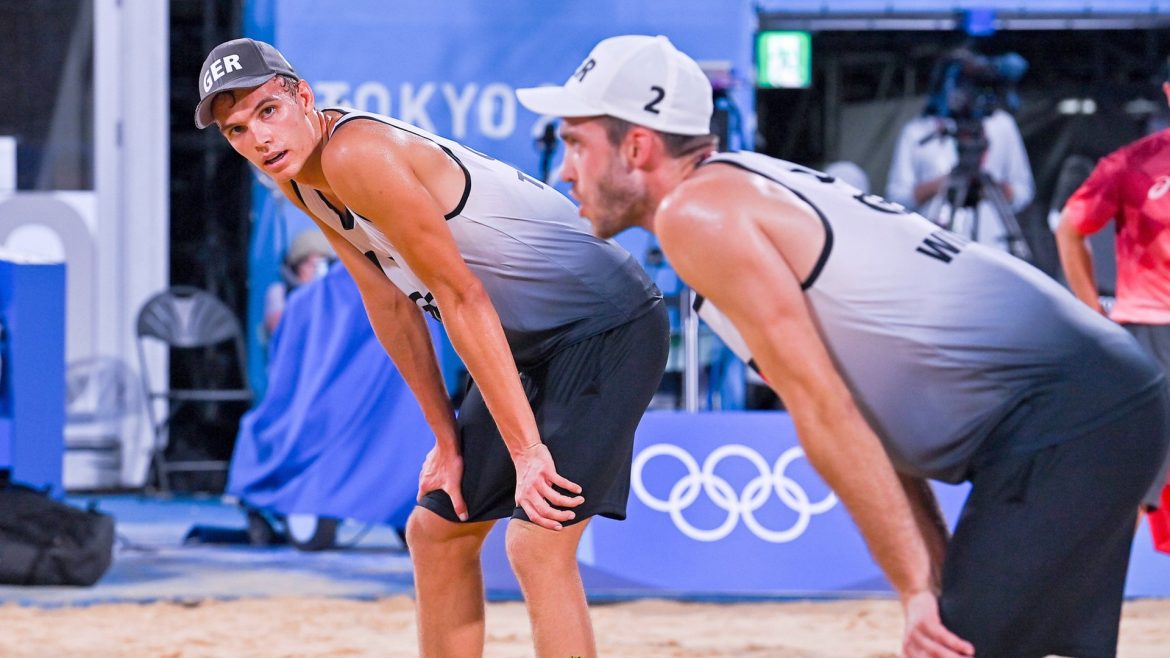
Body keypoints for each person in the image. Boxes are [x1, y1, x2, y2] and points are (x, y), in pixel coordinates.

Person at [518, 34, 1170, 658]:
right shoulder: (742, 187)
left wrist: (918, 590)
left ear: (636, 146)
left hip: (1072, 411)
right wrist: (928, 580)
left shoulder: (697, 216)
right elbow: (867, 414)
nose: (566, 169)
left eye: (576, 144)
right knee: (967, 636)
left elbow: (826, 411)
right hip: (1095, 395)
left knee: (954, 646)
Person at [195, 38, 668, 658]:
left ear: (303, 98)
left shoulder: (356, 154)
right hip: (523, 343)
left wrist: (528, 454)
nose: (257, 138)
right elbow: (389, 301)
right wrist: (445, 440)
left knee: (536, 542)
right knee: (437, 529)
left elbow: (461, 297)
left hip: (606, 324)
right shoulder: (298, 179)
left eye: (267, 112)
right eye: (236, 130)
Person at [1055, 71, 1170, 513]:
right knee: (1144, 479)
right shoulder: (1133, 163)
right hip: (1152, 329)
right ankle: (1122, 579)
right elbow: (1070, 229)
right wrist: (1092, 313)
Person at [885, 49, 1035, 254]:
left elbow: (1023, 190)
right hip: (936, 246)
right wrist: (945, 184)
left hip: (993, 246)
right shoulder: (918, 131)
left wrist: (989, 189)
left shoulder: (1001, 125)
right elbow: (897, 197)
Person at [263, 228, 335, 336]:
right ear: (296, 266)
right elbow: (278, 329)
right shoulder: (279, 292)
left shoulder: (332, 293)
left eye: (319, 264)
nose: (314, 270)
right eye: (309, 264)